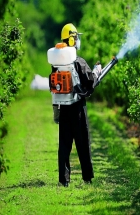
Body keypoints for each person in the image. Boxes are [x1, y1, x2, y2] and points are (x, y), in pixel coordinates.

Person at [53, 23, 101, 187]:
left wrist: (56, 111)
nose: (77, 40)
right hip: (78, 108)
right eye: (76, 37)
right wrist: (97, 71)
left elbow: (55, 86)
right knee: (82, 143)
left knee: (64, 146)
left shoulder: (56, 63)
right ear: (72, 40)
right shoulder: (78, 61)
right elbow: (90, 81)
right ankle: (87, 177)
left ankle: (63, 180)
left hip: (64, 107)